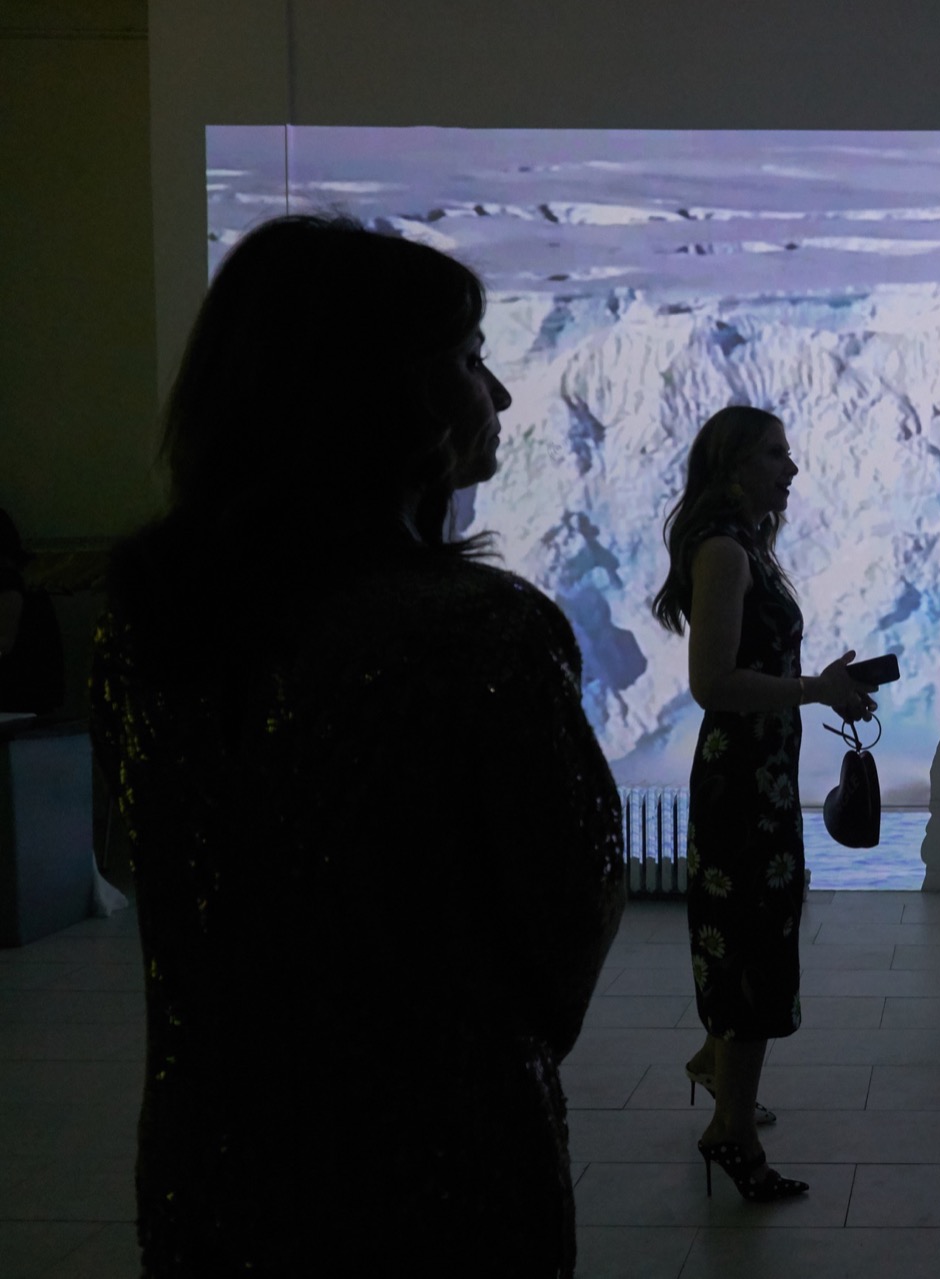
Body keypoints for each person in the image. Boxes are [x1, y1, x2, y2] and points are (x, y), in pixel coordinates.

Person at [91, 215, 625, 1277]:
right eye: (472, 359)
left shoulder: (148, 616)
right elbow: (563, 929)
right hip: (442, 1176)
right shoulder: (483, 633)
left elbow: (126, 854)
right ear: (396, 395)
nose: (501, 394)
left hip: (216, 1166)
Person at [650, 405, 875, 1203]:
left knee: (757, 933)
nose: (792, 467)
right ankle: (731, 1132)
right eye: (777, 454)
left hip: (761, 776)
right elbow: (712, 683)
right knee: (754, 949)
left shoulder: (746, 548)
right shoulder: (724, 553)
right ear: (736, 464)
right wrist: (815, 688)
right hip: (742, 783)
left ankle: (721, 1072)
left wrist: (821, 686)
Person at [0, 508, 64, 714]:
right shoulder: (17, 582)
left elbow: (3, 642)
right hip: (31, 700)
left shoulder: (7, 582)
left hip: (19, 701)